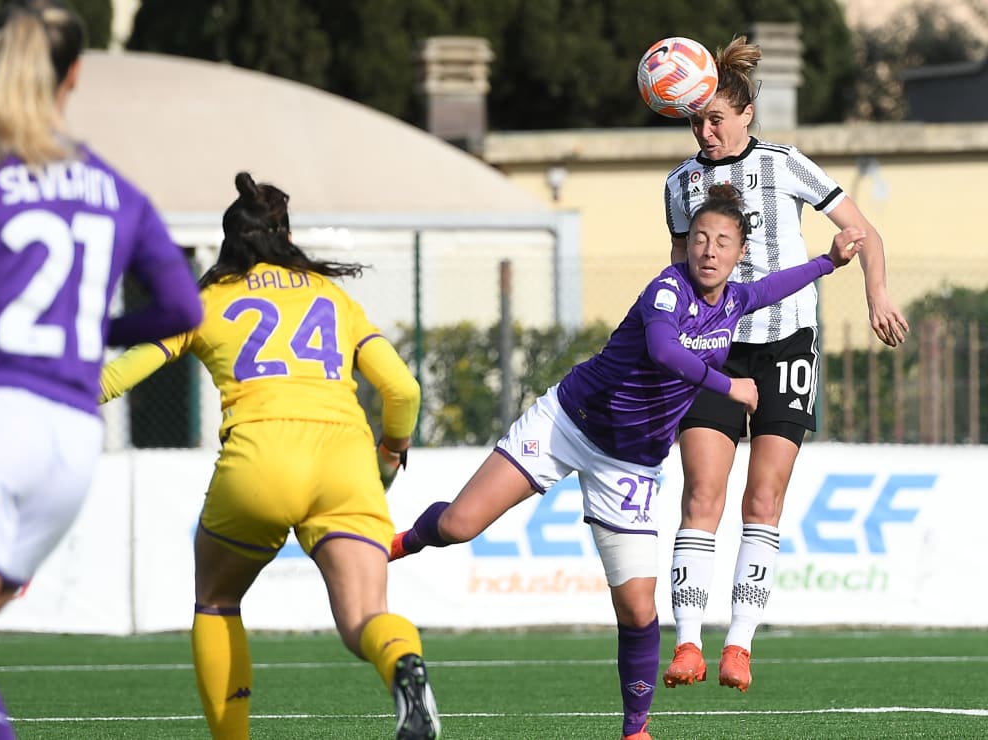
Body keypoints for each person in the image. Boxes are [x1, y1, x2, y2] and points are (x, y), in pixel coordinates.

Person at [390, 183, 862, 740]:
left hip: (631, 466)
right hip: (568, 423)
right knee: (458, 524)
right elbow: (664, 350)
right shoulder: (668, 289)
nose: (709, 251)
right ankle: (396, 544)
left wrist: (827, 263)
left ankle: (635, 730)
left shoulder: (736, 300)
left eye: (723, 242)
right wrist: (727, 385)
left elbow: (772, 288)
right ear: (686, 246)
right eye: (701, 239)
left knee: (639, 613)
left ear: (739, 254)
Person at [0, 3, 203, 738]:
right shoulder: (118, 190)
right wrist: (94, 328)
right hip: (69, 441)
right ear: (75, 76)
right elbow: (185, 308)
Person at [99, 172, 440, 740]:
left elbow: (117, 375)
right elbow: (403, 390)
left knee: (216, 600)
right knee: (365, 620)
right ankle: (403, 665)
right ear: (285, 235)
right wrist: (389, 454)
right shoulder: (332, 297)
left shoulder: (203, 301)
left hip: (260, 458)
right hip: (345, 462)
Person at [660, 36, 910, 694]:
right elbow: (680, 271)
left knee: (763, 497)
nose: (705, 131)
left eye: (715, 118)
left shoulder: (785, 165)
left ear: (744, 113)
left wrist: (876, 293)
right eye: (695, 120)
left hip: (786, 347)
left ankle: (738, 644)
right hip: (713, 350)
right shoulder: (681, 184)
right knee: (701, 495)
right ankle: (687, 643)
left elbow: (865, 232)